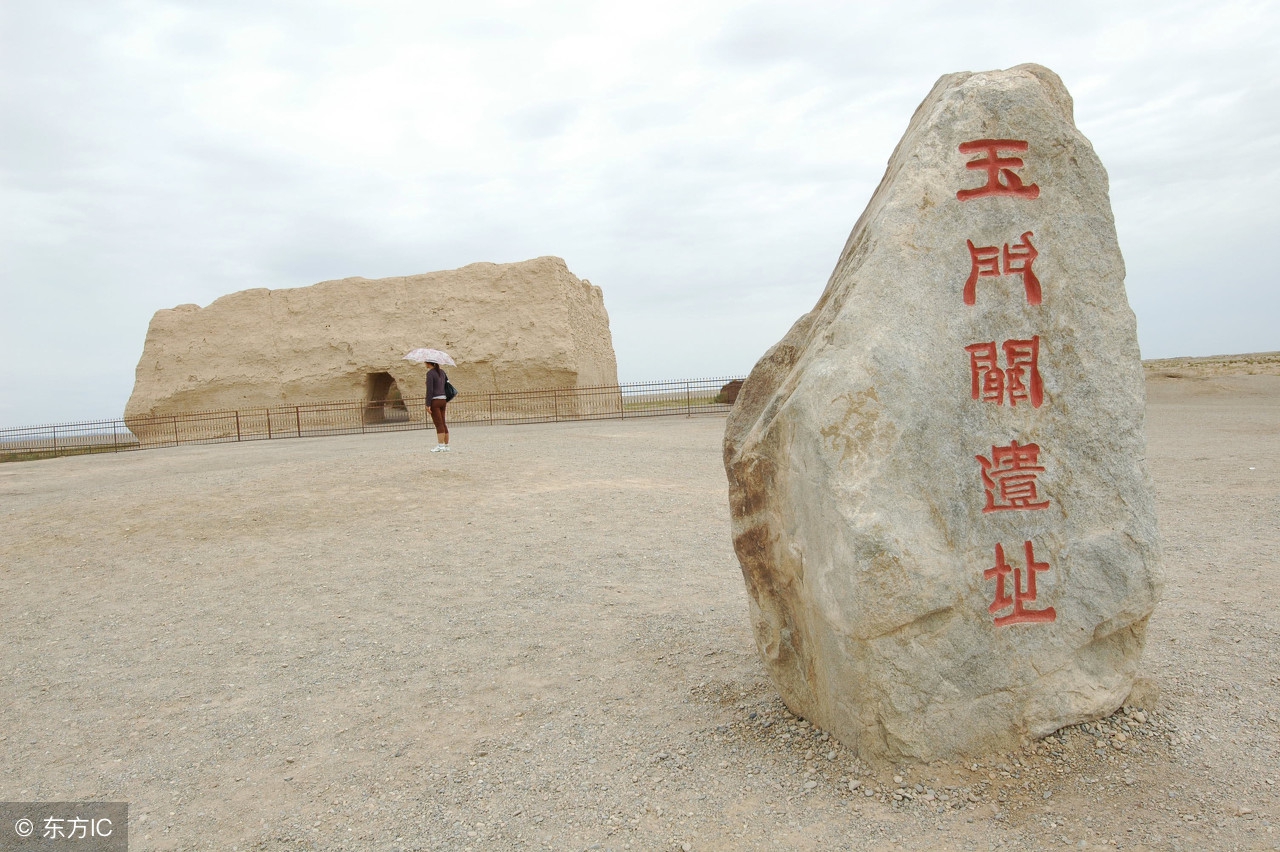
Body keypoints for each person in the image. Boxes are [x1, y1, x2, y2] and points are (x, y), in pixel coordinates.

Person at [426, 361, 450, 452]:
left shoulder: (430, 374)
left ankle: (440, 446)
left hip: (435, 400)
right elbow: (446, 384)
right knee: (443, 422)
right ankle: (446, 445)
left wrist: (428, 404)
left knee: (438, 424)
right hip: (443, 399)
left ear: (429, 363)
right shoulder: (442, 372)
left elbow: (430, 390)